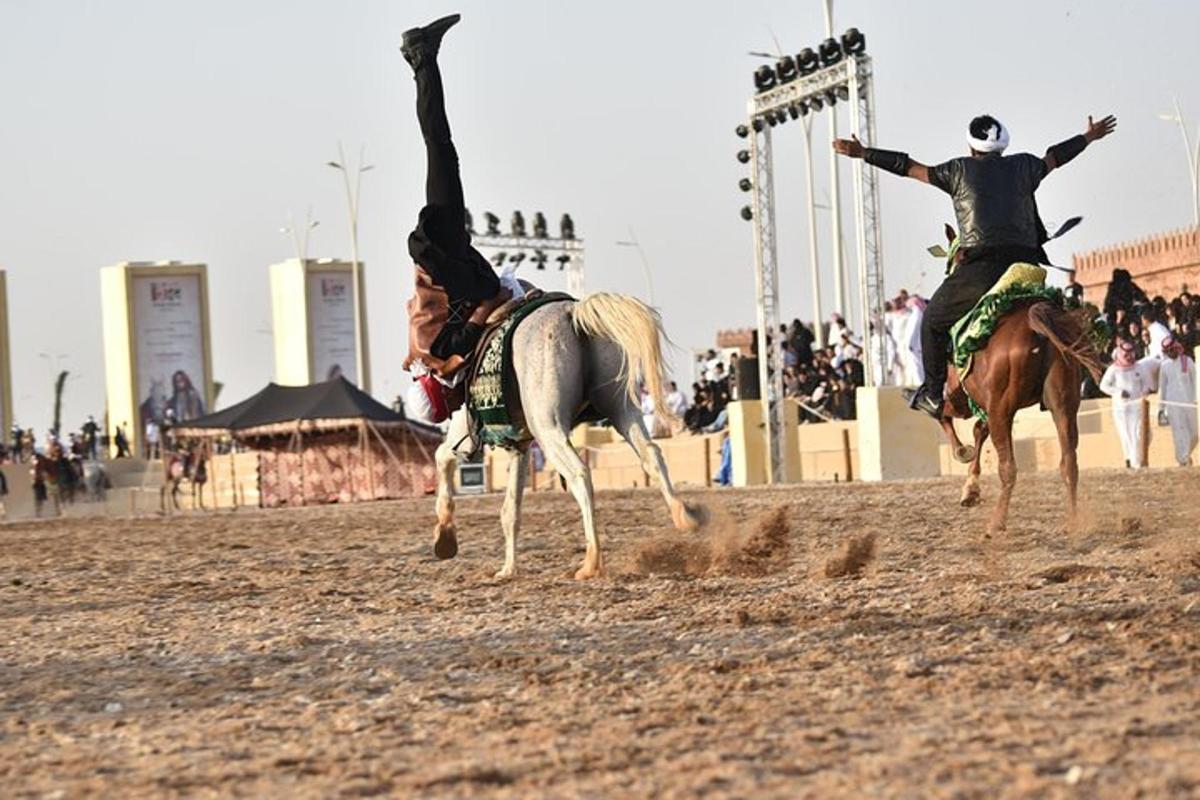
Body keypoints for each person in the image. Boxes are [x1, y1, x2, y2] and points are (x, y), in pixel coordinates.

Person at [834, 112, 1118, 418]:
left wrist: (864, 154)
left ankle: (932, 394)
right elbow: (1055, 158)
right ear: (1002, 146)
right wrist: (1088, 137)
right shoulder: (1025, 165)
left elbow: (909, 168)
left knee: (931, 321)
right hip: (1027, 266)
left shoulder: (957, 170)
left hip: (982, 269)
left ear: (971, 148)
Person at [400, 14, 516, 423]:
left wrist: (502, 295)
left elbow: (482, 314)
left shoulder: (441, 356)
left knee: (440, 145)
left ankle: (422, 56)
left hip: (445, 255)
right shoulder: (420, 356)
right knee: (440, 148)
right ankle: (421, 58)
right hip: (441, 258)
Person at [1100, 341, 1155, 468]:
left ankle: (1136, 459)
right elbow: (1104, 386)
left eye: (1131, 354)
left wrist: (1143, 392)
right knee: (1127, 435)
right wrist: (1118, 392)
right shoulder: (1113, 369)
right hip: (1122, 408)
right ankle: (1133, 462)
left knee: (1143, 434)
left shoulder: (1140, 367)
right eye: (1126, 355)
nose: (1129, 357)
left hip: (1138, 406)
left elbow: (1147, 384)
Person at [1158, 335, 1197, 466]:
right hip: (1172, 405)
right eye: (1167, 351)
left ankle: (1184, 456)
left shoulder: (1188, 361)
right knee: (1179, 434)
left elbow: (1196, 382)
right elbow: (1162, 388)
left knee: (1195, 434)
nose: (1170, 353)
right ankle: (1183, 460)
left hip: (1190, 403)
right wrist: (1161, 409)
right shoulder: (1164, 365)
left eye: (1171, 350)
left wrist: (1196, 400)